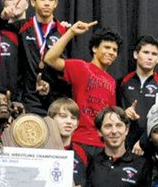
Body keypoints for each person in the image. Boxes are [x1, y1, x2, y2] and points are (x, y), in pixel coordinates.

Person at [43, 21, 121, 149]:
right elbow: (49, 59)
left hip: (102, 144)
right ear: (95, 48)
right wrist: (71, 32)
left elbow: (110, 116)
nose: (111, 52)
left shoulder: (112, 81)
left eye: (115, 50)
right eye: (107, 47)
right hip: (79, 140)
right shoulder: (82, 67)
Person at [14, 0, 70, 115]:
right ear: (33, 2)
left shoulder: (65, 31)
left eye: (51, 0)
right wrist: (5, 18)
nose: (47, 3)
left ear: (56, 4)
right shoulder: (20, 27)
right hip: (28, 99)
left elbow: (69, 66)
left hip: (54, 100)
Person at [84, 107, 153, 187]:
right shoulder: (91, 162)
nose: (114, 131)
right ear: (99, 132)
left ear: (127, 130)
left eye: (119, 125)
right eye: (108, 126)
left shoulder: (142, 163)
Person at [119, 35, 158, 149]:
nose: (150, 57)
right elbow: (113, 112)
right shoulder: (122, 82)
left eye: (154, 54)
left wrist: (143, 141)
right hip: (125, 145)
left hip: (153, 145)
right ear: (136, 54)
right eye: (146, 52)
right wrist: (124, 114)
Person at [47, 98, 88, 187]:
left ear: (77, 124)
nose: (69, 122)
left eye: (73, 118)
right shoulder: (40, 149)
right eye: (63, 116)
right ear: (51, 119)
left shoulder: (81, 152)